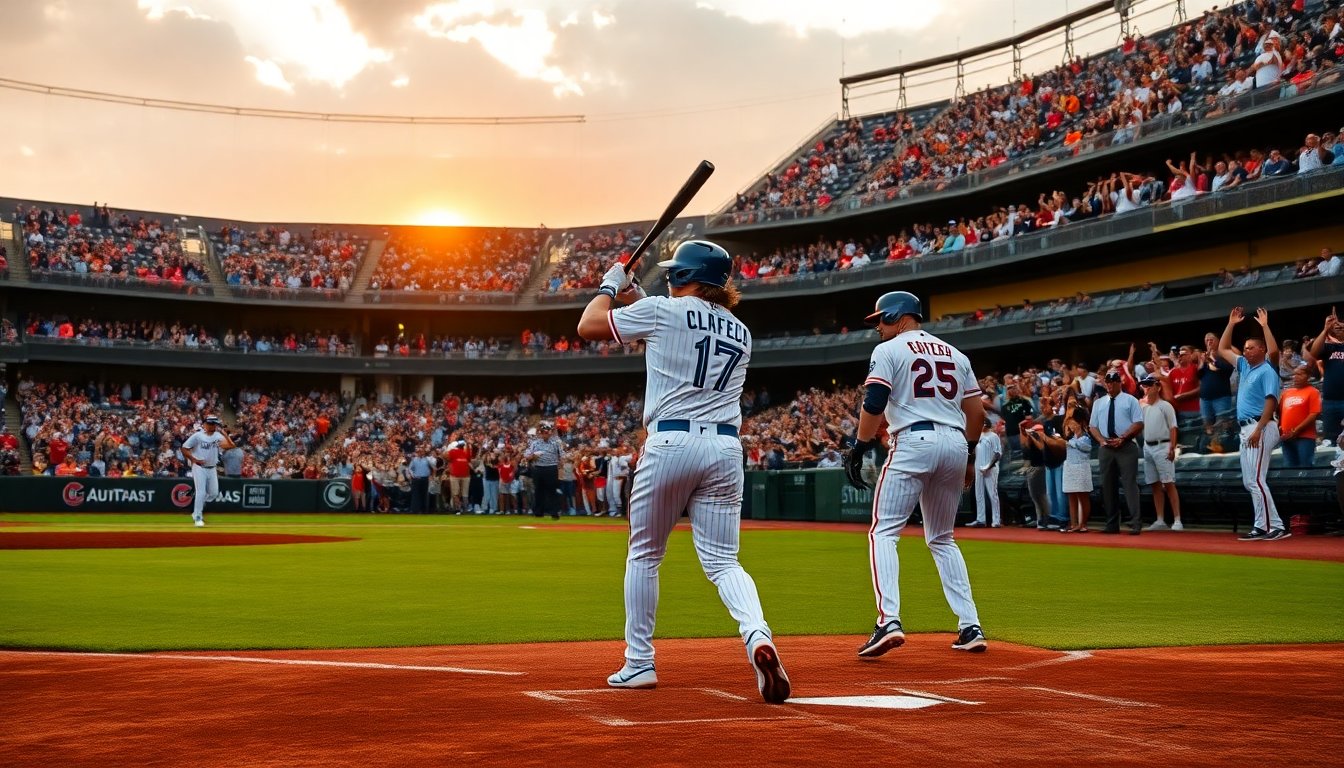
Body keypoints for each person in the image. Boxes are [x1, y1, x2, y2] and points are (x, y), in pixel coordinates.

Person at [577, 239, 790, 704]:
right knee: (724, 562)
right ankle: (757, 635)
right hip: (726, 447)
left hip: (671, 443)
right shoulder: (740, 330)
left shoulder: (662, 311)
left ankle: (639, 663)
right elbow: (675, 328)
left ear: (681, 276)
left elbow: (589, 324)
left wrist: (610, 286)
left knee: (646, 554)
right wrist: (635, 294)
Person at [844, 290, 988, 658]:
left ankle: (888, 620)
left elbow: (875, 401)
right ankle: (970, 625)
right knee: (942, 538)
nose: (877, 326)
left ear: (898, 316)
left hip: (913, 439)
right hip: (955, 443)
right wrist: (969, 455)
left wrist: (859, 447)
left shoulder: (889, 350)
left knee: (884, 531)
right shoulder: (956, 354)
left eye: (880, 319)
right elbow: (977, 414)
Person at [1218, 307, 1287, 540]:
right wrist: (1231, 324)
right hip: (1247, 427)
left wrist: (1265, 326)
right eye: (1245, 348)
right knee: (1250, 481)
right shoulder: (1246, 366)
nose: (1246, 351)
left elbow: (1271, 402)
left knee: (1257, 479)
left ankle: (1275, 526)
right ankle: (1262, 524)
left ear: (1261, 350)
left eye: (1250, 348)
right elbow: (1222, 349)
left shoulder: (1267, 369)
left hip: (1261, 425)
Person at [1088, 371, 1144, 535]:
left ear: (1120, 383)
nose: (1110, 385)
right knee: (1107, 485)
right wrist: (1101, 441)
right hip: (1106, 446)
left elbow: (1139, 423)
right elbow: (1092, 426)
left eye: (1113, 382)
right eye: (1108, 382)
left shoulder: (1130, 400)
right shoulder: (1099, 403)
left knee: (1129, 484)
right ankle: (1112, 524)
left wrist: (1123, 437)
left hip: (1126, 445)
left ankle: (1135, 523)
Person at [1139, 375, 1183, 531]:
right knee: (1154, 484)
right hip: (1147, 446)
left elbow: (1173, 427)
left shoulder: (1165, 406)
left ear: (1158, 387)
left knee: (1168, 482)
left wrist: (1172, 447)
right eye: (1145, 385)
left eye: (1150, 385)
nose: (1147, 388)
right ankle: (1160, 519)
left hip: (1163, 445)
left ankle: (1177, 519)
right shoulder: (1142, 406)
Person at [180, 415, 235, 527]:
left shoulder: (217, 436)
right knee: (201, 492)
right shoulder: (198, 436)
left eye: (214, 424)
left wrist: (225, 434)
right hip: (199, 467)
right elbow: (184, 448)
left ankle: (196, 510)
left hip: (212, 468)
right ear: (204, 424)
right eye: (210, 423)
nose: (212, 426)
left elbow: (231, 445)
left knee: (214, 493)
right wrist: (193, 459)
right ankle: (198, 518)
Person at [1305, 308, 1344, 446]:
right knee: (1330, 441)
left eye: (1341, 323)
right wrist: (1325, 329)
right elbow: (1313, 353)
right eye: (1336, 323)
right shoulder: (1329, 347)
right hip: (1329, 402)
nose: (1338, 325)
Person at [1279, 363, 1321, 468]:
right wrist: (1280, 427)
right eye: (1294, 374)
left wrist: (1296, 430)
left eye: (1300, 374)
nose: (1296, 377)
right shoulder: (1286, 392)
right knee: (1289, 469)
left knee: (1305, 467)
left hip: (1305, 437)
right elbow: (1280, 412)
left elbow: (1313, 414)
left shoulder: (1313, 392)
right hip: (1286, 437)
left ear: (1308, 376)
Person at [967, 419, 1001, 528]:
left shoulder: (993, 436)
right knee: (979, 493)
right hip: (978, 467)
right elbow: (974, 452)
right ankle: (980, 519)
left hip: (990, 468)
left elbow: (997, 454)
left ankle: (996, 520)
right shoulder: (978, 436)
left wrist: (988, 466)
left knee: (992, 494)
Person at [525, 423, 563, 519]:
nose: (545, 434)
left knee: (552, 491)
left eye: (546, 432)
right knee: (538, 491)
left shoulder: (556, 442)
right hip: (538, 468)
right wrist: (533, 456)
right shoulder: (535, 443)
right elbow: (527, 455)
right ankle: (538, 512)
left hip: (551, 467)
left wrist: (561, 464)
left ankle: (554, 512)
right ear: (540, 433)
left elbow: (562, 455)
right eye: (543, 432)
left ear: (550, 433)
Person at [1061, 416, 1093, 532]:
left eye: (1073, 423)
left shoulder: (1086, 437)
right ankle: (1074, 523)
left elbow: (1085, 448)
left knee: (1083, 496)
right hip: (1070, 467)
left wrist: (1070, 442)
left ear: (1079, 424)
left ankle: (1083, 523)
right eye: (1070, 424)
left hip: (1081, 468)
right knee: (1071, 496)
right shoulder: (1070, 437)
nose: (1071, 426)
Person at [407, 445, 434, 514]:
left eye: (422, 452)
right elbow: (410, 469)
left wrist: (431, 475)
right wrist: (413, 476)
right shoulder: (414, 459)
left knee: (424, 494)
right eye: (419, 452)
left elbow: (433, 467)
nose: (420, 453)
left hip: (425, 479)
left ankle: (424, 509)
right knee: (415, 495)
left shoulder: (427, 459)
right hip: (416, 479)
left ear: (424, 452)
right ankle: (415, 510)